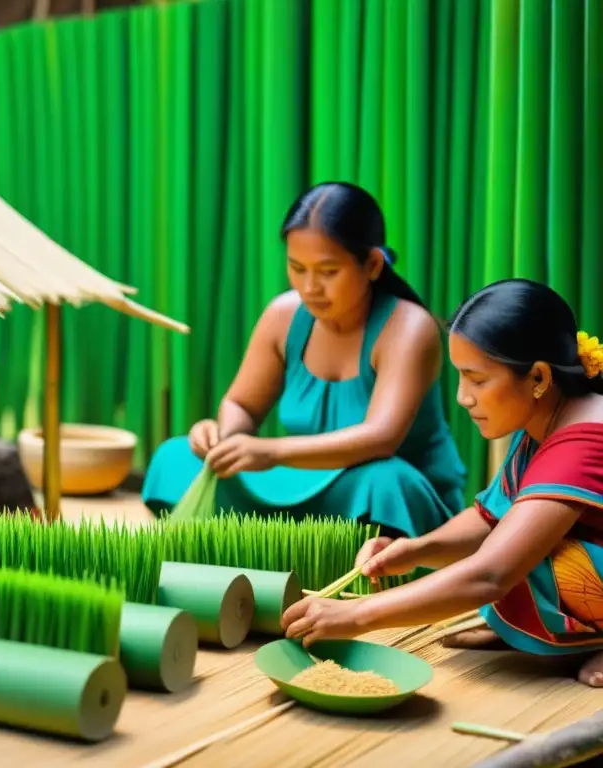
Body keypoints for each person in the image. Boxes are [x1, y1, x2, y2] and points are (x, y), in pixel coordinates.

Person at [281, 279, 603, 687]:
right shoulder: (547, 416)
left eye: (477, 379)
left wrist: (357, 614)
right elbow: (490, 517)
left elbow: (491, 574)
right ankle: (531, 629)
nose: (462, 397)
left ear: (538, 377)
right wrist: (416, 550)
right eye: (460, 377)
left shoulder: (583, 440)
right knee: (515, 537)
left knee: (528, 553)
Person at [141, 182, 467, 538]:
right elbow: (241, 404)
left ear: (372, 264)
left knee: (385, 480)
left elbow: (380, 438)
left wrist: (271, 452)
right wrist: (226, 442)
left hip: (379, 493)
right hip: (302, 481)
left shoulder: (409, 328)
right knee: (175, 458)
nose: (309, 287)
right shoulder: (283, 316)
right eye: (297, 267)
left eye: (328, 272)